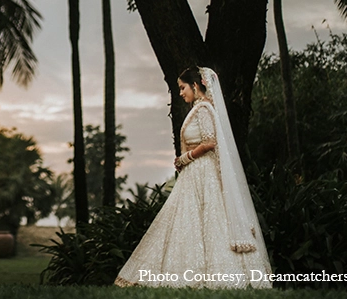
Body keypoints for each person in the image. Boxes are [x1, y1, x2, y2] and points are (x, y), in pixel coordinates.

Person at [114, 67, 272, 289]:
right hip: (196, 173)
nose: (180, 93)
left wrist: (184, 159)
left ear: (195, 85)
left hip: (202, 172)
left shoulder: (204, 109)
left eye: (182, 88)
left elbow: (209, 142)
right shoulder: (201, 109)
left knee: (207, 221)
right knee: (190, 222)